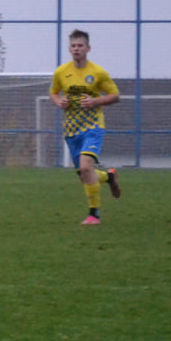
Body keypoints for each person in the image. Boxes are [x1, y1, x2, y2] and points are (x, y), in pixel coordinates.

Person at [50, 29, 122, 225]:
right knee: (85, 174)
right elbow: (54, 93)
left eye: (80, 45)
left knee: (85, 166)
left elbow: (115, 95)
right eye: (73, 46)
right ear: (69, 49)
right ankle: (108, 177)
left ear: (88, 48)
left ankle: (94, 215)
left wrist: (96, 101)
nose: (76, 49)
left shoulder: (97, 72)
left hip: (93, 127)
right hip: (71, 129)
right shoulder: (61, 72)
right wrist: (59, 102)